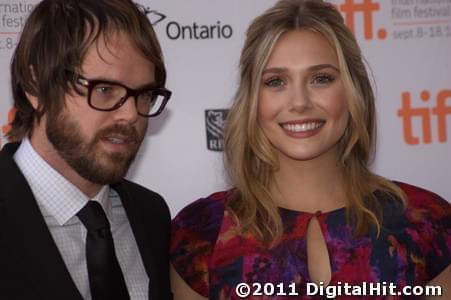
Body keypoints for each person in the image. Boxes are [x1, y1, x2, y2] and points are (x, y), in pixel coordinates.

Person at [170, 0, 450, 299]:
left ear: (354, 91)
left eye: (321, 78)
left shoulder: (427, 223)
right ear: (252, 99)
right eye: (276, 81)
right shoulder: (201, 233)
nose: (300, 102)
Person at [0, 0, 172, 299]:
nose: (131, 115)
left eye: (144, 95)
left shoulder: (152, 214)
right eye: (104, 90)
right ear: (36, 85)